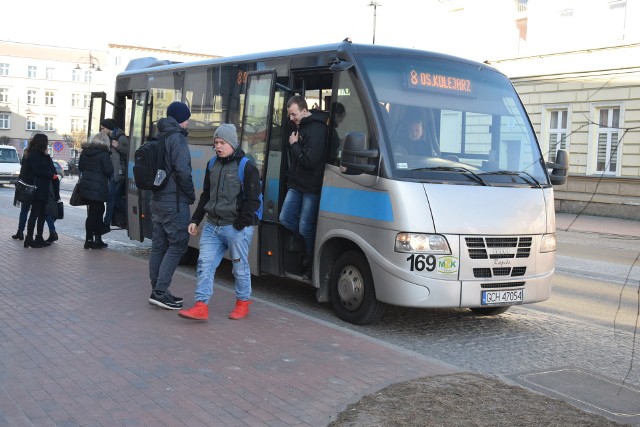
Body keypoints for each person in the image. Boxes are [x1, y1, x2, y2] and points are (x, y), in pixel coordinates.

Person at [178, 124, 262, 321]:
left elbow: (253, 200)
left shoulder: (246, 167)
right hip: (212, 226)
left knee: (239, 268)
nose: (218, 146)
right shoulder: (211, 165)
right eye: (216, 143)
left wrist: (240, 225)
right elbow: (206, 195)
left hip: (236, 228)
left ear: (232, 143)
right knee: (204, 264)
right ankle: (201, 305)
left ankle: (243, 303)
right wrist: (195, 220)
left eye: (222, 142)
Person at [148, 101, 196, 310]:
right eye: (186, 119)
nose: (188, 123)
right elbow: (183, 171)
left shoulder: (160, 136)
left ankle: (157, 290)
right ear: (181, 119)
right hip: (173, 201)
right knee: (177, 244)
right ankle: (160, 291)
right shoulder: (177, 138)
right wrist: (190, 194)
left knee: (159, 245)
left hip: (157, 200)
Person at [279, 95, 328, 279]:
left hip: (311, 186)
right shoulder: (298, 126)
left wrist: (295, 145)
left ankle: (310, 258)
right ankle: (304, 245)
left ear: (304, 110)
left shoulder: (316, 129)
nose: (291, 118)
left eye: (294, 114)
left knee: (305, 226)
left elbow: (309, 161)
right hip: (296, 183)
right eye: (290, 115)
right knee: (285, 218)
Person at [16, 134, 59, 248]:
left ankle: (39, 237)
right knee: (35, 214)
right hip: (37, 189)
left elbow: (49, 168)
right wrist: (52, 176)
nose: (48, 143)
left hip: (42, 188)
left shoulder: (41, 155)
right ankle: (29, 238)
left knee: (42, 215)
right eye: (46, 141)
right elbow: (38, 170)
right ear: (42, 142)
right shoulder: (34, 155)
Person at [78, 133, 113, 249]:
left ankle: (91, 239)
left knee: (93, 213)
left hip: (87, 186)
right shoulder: (104, 154)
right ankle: (95, 239)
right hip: (98, 187)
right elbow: (108, 170)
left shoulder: (85, 152)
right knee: (98, 212)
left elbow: (80, 167)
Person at [100, 118, 129, 233]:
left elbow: (131, 154)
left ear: (109, 128)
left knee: (110, 197)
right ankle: (127, 215)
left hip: (119, 174)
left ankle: (106, 223)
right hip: (113, 173)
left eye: (103, 128)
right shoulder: (109, 138)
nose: (101, 130)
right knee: (114, 198)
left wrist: (118, 146)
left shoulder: (121, 138)